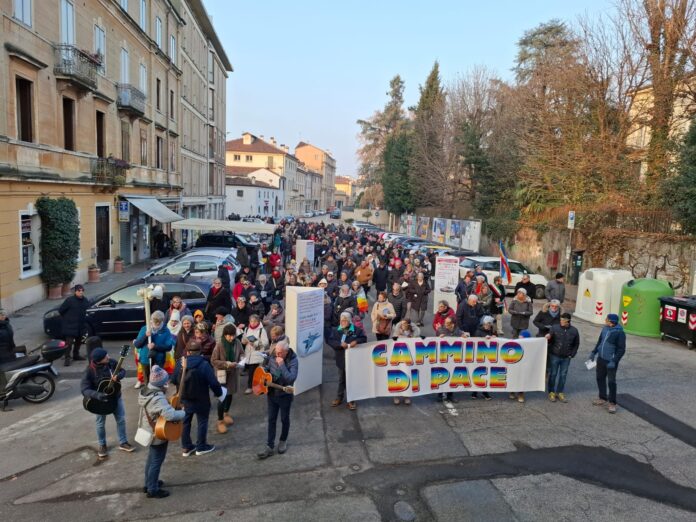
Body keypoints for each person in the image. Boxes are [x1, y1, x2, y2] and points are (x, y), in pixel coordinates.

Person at [138, 365, 185, 499]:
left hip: (148, 428)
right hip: (157, 432)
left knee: (151, 458)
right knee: (156, 460)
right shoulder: (157, 398)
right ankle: (152, 489)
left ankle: (148, 483)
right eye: (165, 381)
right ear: (160, 383)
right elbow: (170, 415)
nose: (167, 383)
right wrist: (183, 412)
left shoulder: (145, 390)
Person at [171, 341, 223, 456]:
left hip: (184, 399)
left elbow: (173, 379)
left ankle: (186, 447)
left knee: (185, 422)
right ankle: (201, 446)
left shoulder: (180, 363)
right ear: (200, 352)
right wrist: (219, 394)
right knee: (202, 422)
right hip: (202, 399)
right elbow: (214, 383)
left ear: (188, 352)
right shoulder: (204, 364)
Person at [81, 348, 135, 459]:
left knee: (121, 419)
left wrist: (118, 376)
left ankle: (123, 442)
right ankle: (102, 445)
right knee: (100, 423)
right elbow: (84, 389)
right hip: (100, 401)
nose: (108, 357)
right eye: (106, 357)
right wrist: (97, 395)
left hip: (115, 396)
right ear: (99, 361)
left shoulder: (111, 363)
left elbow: (122, 371)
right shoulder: (89, 371)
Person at [257, 338, 299, 459]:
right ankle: (269, 446)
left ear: (286, 352)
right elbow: (263, 368)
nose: (277, 354)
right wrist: (264, 372)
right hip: (271, 394)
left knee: (284, 419)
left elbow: (291, 379)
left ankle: (283, 441)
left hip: (285, 395)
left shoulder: (293, 360)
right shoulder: (273, 354)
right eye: (277, 352)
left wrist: (281, 365)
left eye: (280, 353)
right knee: (271, 419)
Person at [327, 311, 367, 410]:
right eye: (342, 320)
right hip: (341, 359)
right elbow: (330, 341)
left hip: (353, 360)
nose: (343, 322)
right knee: (341, 379)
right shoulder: (336, 330)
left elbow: (364, 338)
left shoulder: (357, 330)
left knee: (351, 380)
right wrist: (340, 344)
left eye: (345, 320)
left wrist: (356, 341)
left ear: (349, 321)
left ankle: (351, 400)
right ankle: (339, 397)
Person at [589, 313, 626, 414]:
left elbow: (621, 350)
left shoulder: (619, 333)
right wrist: (594, 352)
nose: (605, 320)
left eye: (607, 319)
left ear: (611, 322)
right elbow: (600, 341)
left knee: (611, 382)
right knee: (600, 378)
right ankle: (602, 398)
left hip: (611, 362)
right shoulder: (605, 329)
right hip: (601, 358)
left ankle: (612, 403)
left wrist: (614, 361)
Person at [211, 324, 243, 434]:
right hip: (222, 375)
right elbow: (213, 360)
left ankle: (226, 413)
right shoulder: (219, 345)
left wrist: (242, 360)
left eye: (233, 335)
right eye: (229, 336)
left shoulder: (237, 343)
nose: (231, 338)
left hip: (233, 374)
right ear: (225, 335)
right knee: (222, 397)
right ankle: (220, 421)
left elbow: (242, 354)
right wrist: (226, 364)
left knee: (230, 395)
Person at [546, 312, 580, 403]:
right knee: (553, 374)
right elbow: (550, 338)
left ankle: (560, 392)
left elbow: (576, 344)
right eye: (560, 320)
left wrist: (572, 354)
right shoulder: (554, 328)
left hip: (566, 357)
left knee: (563, 375)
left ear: (568, 321)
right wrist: (548, 337)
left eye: (563, 320)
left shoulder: (574, 331)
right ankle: (551, 392)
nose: (561, 321)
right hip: (554, 355)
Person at [133, 311, 174, 387]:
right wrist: (145, 335)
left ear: (162, 320)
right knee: (147, 381)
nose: (157, 324)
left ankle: (158, 393)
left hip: (159, 360)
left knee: (158, 380)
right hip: (146, 358)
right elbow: (137, 344)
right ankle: (148, 394)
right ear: (151, 320)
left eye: (159, 322)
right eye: (155, 322)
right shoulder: (145, 328)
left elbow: (169, 347)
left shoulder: (166, 330)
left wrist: (155, 346)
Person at [58, 284, 90, 366]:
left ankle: (76, 355)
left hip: (80, 326)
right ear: (75, 291)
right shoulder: (70, 300)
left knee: (78, 342)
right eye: (79, 290)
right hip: (70, 326)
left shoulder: (85, 300)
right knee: (68, 344)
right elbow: (61, 310)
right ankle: (67, 358)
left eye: (82, 290)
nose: (81, 292)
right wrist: (68, 319)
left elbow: (88, 310)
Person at [242, 314, 270, 394]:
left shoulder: (261, 330)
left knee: (252, 371)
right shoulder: (247, 329)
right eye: (251, 321)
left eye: (254, 321)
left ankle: (250, 387)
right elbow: (244, 338)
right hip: (248, 354)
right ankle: (257, 385)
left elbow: (266, 342)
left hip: (257, 353)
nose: (252, 323)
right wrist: (244, 341)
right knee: (252, 371)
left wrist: (255, 343)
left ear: (258, 322)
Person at [509, 330, 532, 403]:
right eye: (519, 337)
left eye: (522, 338)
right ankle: (512, 391)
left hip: (524, 365)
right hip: (515, 364)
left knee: (522, 378)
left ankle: (520, 394)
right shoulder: (514, 343)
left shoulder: (531, 346)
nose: (519, 339)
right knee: (513, 377)